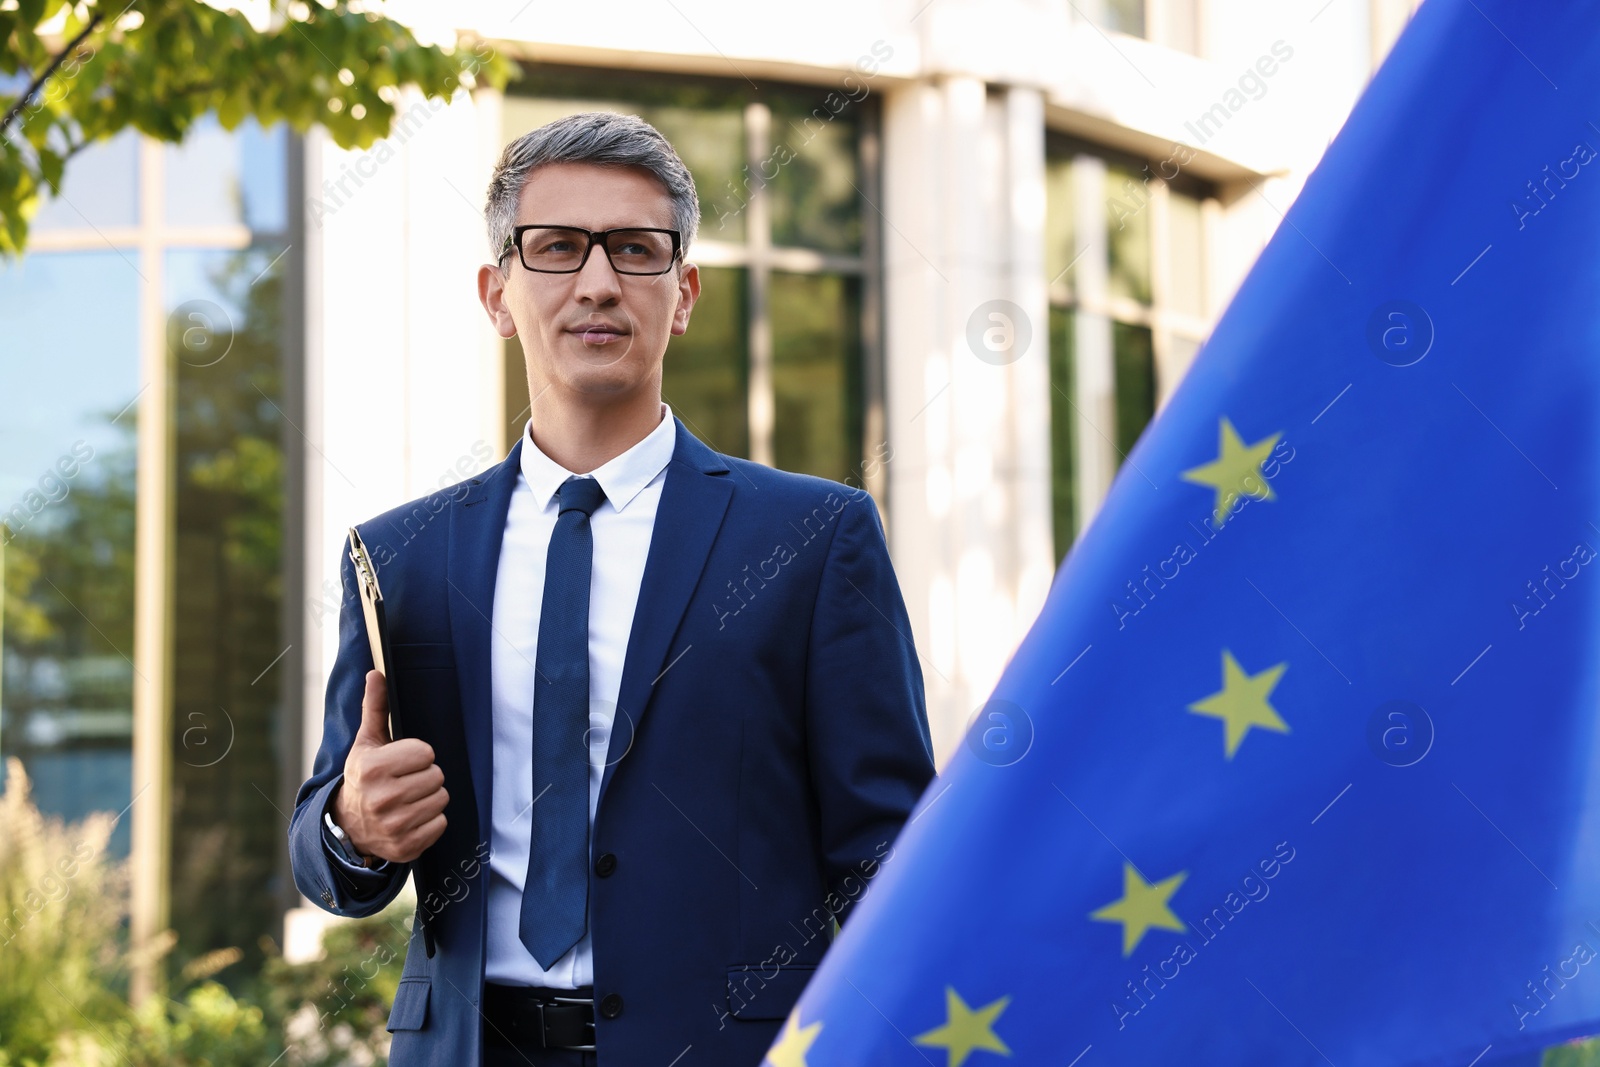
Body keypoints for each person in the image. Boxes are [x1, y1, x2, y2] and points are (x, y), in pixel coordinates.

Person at [288, 111, 935, 1066]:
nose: (597, 282)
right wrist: (353, 826)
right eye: (555, 248)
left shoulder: (813, 538)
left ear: (684, 293)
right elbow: (326, 847)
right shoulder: (401, 555)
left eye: (636, 250)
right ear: (497, 293)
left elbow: (892, 856)